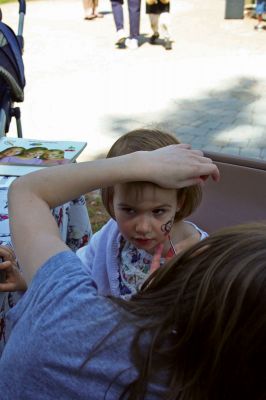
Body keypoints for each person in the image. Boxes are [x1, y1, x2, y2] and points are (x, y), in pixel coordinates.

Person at [1, 148, 266, 398]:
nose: (142, 227)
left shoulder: (68, 308)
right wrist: (31, 283)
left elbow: (27, 191)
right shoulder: (219, 383)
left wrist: (138, 163)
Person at [76, 129, 207, 299]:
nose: (143, 227)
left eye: (158, 211)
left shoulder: (198, 256)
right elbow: (81, 267)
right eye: (129, 210)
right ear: (111, 201)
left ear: (180, 202)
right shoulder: (111, 234)